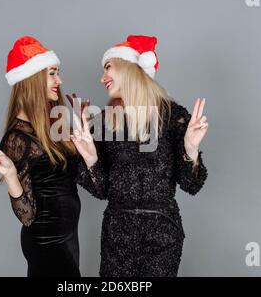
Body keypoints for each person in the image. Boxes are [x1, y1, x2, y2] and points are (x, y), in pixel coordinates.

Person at [72, 35, 210, 276]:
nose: (101, 78)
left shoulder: (172, 115)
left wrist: (190, 149)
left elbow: (192, 184)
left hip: (162, 235)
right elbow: (102, 191)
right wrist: (91, 158)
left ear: (129, 68)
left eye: (107, 68)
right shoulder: (105, 121)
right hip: (117, 236)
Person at [0, 36, 86, 277]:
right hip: (46, 242)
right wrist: (12, 176)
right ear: (32, 79)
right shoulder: (17, 137)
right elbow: (27, 215)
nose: (59, 80)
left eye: (57, 73)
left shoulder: (55, 125)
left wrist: (86, 146)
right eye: (52, 73)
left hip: (68, 238)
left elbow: (77, 178)